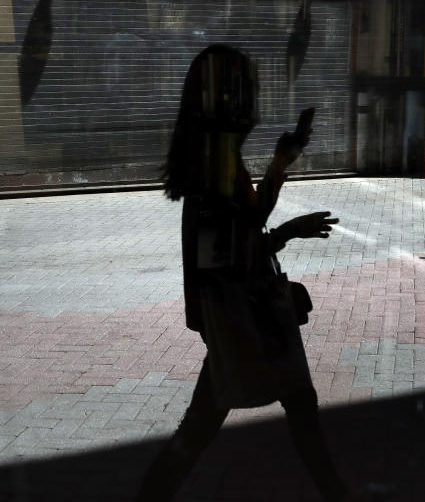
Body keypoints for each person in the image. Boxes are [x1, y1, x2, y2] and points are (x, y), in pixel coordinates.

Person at [138, 45, 347, 501]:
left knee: (230, 420)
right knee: (285, 408)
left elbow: (243, 227)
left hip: (239, 316)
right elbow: (228, 253)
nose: (254, 99)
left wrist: (279, 163)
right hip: (244, 319)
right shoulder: (215, 166)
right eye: (246, 88)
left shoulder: (219, 157)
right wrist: (286, 231)